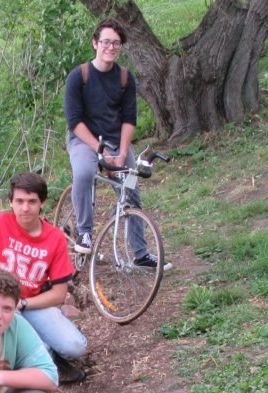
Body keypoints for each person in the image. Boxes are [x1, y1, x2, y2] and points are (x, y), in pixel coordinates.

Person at [64, 18, 168, 270]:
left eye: (116, 43)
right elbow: (75, 120)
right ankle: (85, 232)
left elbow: (129, 119)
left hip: (116, 142)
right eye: (106, 42)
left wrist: (122, 152)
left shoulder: (124, 78)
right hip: (84, 140)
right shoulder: (79, 76)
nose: (111, 47)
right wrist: (100, 152)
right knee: (85, 173)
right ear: (95, 43)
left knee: (131, 188)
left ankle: (141, 254)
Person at [0, 171, 88, 383]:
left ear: (42, 203)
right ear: (11, 202)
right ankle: (51, 361)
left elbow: (59, 294)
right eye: (19, 201)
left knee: (76, 346)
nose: (25, 208)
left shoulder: (55, 237)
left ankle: (52, 350)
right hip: (2, 304)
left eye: (32, 201)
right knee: (38, 350)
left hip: (32, 303)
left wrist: (23, 303)